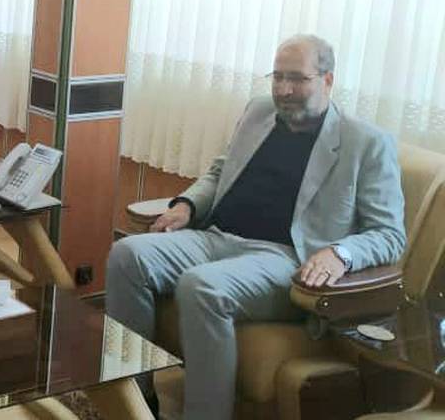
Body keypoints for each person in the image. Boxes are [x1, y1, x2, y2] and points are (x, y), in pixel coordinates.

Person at [105, 34, 406, 420]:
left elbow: (389, 234)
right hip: (215, 238)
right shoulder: (258, 112)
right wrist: (187, 205)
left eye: (296, 79)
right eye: (277, 76)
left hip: (285, 259)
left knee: (201, 286)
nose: (284, 89)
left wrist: (340, 254)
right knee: (126, 255)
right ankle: (134, 402)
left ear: (327, 80)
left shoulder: (366, 143)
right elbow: (220, 171)